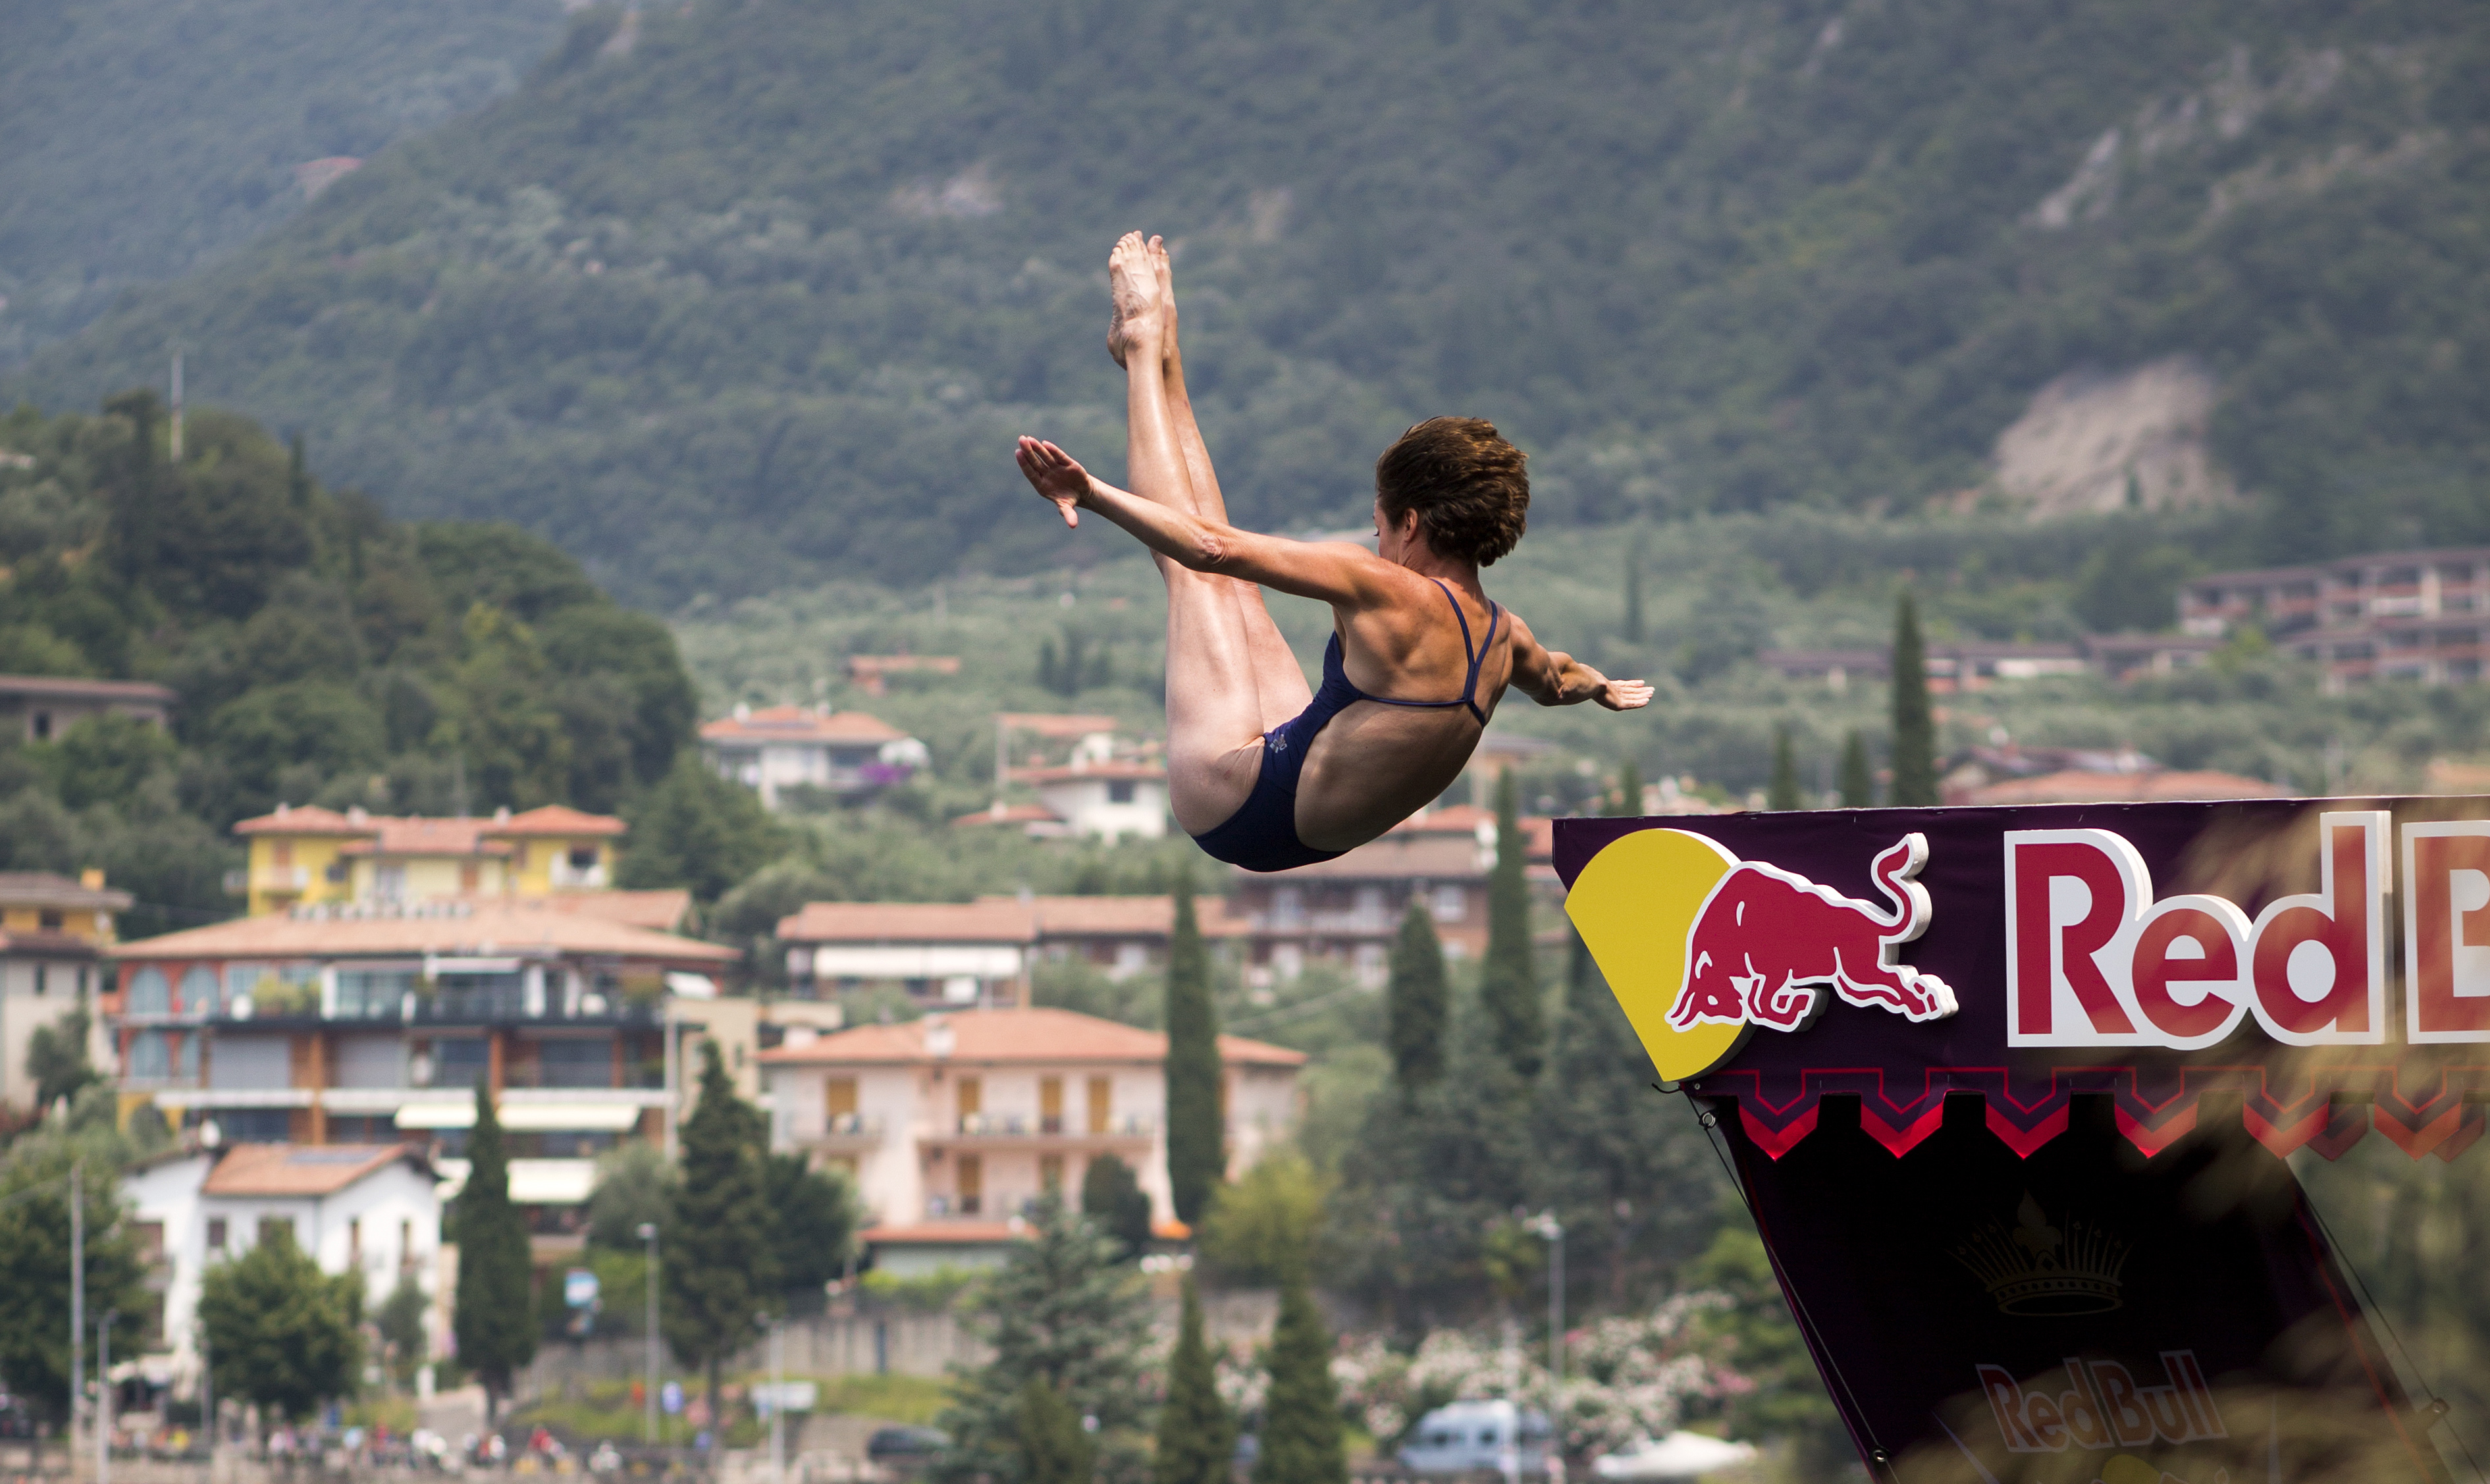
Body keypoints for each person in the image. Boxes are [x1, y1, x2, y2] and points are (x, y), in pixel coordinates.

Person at [1016, 233, 1651, 872]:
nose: (1377, 541)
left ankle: (1142, 348)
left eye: (1379, 526)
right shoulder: (1507, 640)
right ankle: (1166, 358)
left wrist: (1091, 492)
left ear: (1409, 523)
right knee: (1238, 590)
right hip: (1304, 815)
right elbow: (1559, 681)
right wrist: (1602, 686)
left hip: (1234, 806)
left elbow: (1207, 548)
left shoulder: (1380, 586)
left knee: (1200, 576)